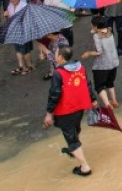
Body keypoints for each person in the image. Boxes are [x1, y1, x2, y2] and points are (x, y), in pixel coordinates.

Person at [43, 46, 96, 177]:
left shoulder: (58, 73)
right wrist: (93, 99)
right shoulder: (81, 68)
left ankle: (85, 167)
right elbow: (87, 84)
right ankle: (73, 150)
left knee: (71, 138)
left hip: (66, 110)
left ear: (60, 58)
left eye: (56, 54)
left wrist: (49, 113)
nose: (55, 56)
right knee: (75, 129)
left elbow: (54, 94)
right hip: (79, 107)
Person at [81, 16, 120, 108]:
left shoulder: (97, 36)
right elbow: (99, 30)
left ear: (95, 26)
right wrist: (95, 29)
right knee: (110, 83)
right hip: (113, 62)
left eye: (92, 25)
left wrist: (88, 53)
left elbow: (99, 52)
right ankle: (114, 101)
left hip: (102, 66)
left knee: (99, 86)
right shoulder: (110, 31)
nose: (91, 26)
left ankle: (107, 104)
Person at [5, 0, 36, 76]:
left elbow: (28, 18)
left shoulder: (24, 5)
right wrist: (7, 15)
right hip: (14, 31)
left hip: (23, 30)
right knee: (17, 49)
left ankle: (30, 66)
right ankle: (21, 66)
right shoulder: (10, 5)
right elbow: (10, 18)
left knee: (25, 50)